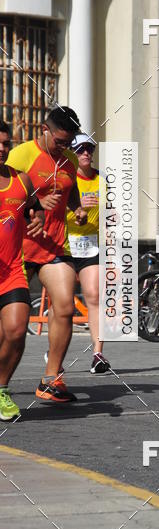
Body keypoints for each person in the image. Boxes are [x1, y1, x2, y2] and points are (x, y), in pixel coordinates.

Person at [6, 106, 87, 403]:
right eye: (60, 141)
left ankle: (51, 379)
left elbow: (71, 188)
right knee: (10, 321)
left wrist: (75, 208)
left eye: (69, 142)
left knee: (65, 306)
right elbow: (6, 193)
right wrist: (37, 201)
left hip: (53, 246)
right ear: (45, 129)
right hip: (15, 248)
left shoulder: (69, 159)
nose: (65, 147)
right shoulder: (21, 155)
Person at [0, 121, 45, 420]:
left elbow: (35, 205)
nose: (2, 148)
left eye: (6, 143)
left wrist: (38, 217)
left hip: (13, 270)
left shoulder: (22, 180)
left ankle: (1, 390)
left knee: (17, 330)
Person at [65, 133, 110, 374]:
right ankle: (56, 354)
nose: (86, 153)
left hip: (92, 245)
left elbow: (113, 214)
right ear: (72, 152)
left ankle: (98, 354)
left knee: (94, 297)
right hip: (65, 245)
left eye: (89, 149)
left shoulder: (102, 180)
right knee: (63, 303)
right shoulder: (66, 179)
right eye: (80, 149)